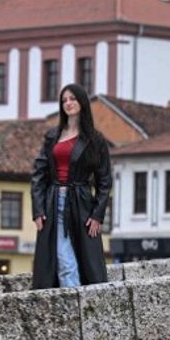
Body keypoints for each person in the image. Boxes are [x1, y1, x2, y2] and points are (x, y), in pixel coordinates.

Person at [31, 83, 112, 288]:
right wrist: (38, 209)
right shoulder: (52, 136)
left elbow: (104, 180)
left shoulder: (95, 140)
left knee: (86, 260)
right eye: (64, 100)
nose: (68, 103)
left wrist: (97, 214)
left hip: (82, 203)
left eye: (72, 99)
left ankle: (82, 303)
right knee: (62, 257)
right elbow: (39, 174)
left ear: (82, 102)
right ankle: (76, 304)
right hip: (54, 202)